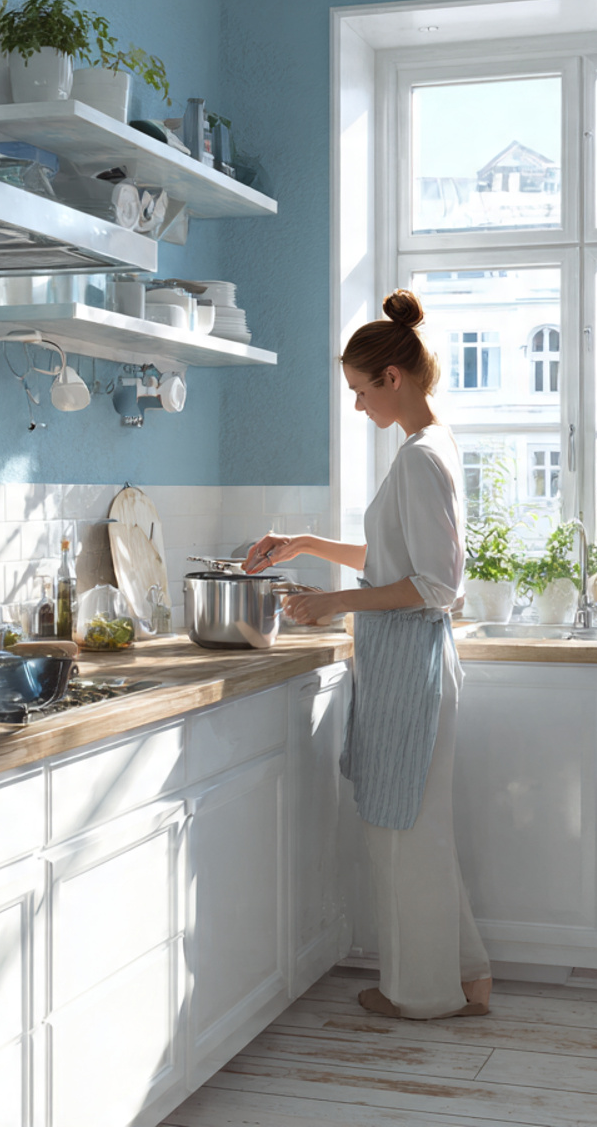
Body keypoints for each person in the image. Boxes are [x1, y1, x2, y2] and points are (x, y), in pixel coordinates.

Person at [245, 289, 491, 1020]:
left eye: (359, 392)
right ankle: (466, 976)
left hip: (410, 667)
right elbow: (397, 558)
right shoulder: (431, 447)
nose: (357, 408)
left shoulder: (418, 459)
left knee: (402, 837)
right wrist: (310, 546)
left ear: (393, 378)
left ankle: (420, 996)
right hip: (409, 667)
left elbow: (436, 585)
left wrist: (332, 603)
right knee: (414, 832)